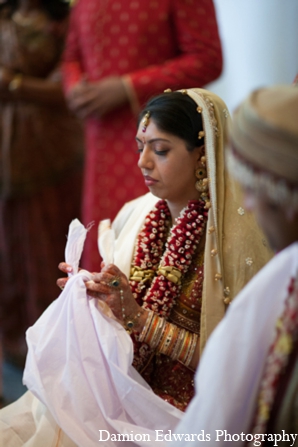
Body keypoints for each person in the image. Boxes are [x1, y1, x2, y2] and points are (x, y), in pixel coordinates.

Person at [0, 88, 271, 446]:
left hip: (194, 414)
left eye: (160, 150)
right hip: (129, 386)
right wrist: (96, 300)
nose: (143, 162)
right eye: (140, 147)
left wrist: (138, 319)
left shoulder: (238, 244)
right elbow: (127, 321)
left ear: (203, 156)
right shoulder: (139, 215)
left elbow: (240, 369)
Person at [170, 84, 298, 445]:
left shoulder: (254, 254)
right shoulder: (137, 217)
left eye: (256, 189)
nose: (250, 204)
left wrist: (136, 320)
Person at [61, 0, 223, 272]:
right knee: (105, 249)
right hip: (101, 143)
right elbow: (71, 58)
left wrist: (128, 87)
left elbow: (206, 58)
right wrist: (74, 86)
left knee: (157, 249)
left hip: (165, 138)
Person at [0, 0, 83, 370]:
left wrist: (13, 85)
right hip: (8, 151)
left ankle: (53, 347)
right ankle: (15, 347)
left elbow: (71, 87)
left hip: (50, 150)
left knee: (49, 246)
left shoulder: (61, 17)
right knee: (8, 249)